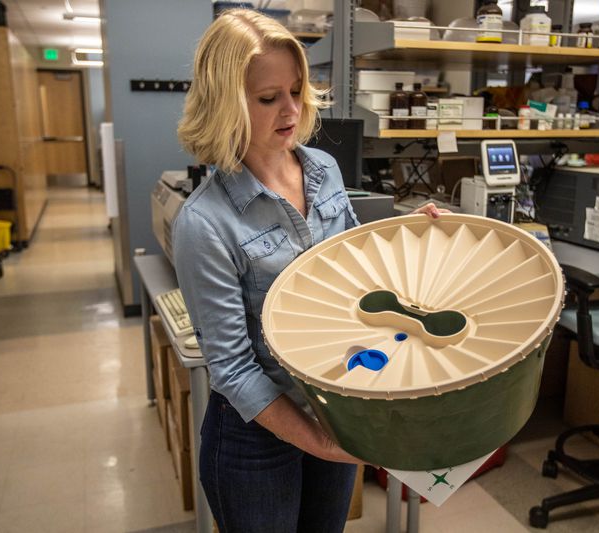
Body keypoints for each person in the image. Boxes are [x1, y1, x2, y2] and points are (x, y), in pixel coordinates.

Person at [173, 9, 444, 532]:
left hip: (331, 403)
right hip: (255, 439)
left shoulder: (322, 169)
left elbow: (349, 269)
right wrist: (319, 439)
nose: (291, 110)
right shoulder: (204, 224)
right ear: (226, 102)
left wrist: (408, 234)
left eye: (296, 90)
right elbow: (232, 370)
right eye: (269, 98)